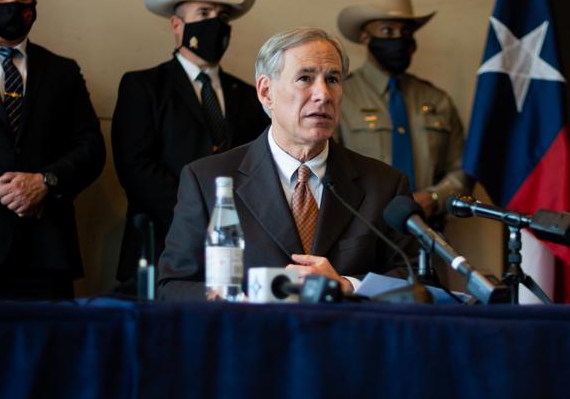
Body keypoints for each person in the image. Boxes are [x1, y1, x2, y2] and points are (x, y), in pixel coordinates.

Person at [158, 27, 415, 301]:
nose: (323, 94)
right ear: (266, 91)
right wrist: (241, 301)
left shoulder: (384, 185)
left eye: (333, 79)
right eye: (305, 78)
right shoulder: (207, 179)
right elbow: (173, 286)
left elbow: (417, 281)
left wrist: (347, 285)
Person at [111, 0, 268, 289]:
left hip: (237, 252)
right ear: (176, 25)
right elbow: (135, 166)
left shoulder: (250, 96)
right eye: (204, 13)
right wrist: (198, 216)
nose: (215, 23)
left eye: (222, 16)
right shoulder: (144, 86)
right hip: (161, 245)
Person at [0, 0, 105, 300]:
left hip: (46, 253)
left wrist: (45, 181)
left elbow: (91, 148)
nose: (13, 3)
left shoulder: (63, 71)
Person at [335, 0, 470, 220]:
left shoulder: (437, 100)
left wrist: (434, 197)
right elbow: (325, 169)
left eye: (405, 32)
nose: (398, 38)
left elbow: (462, 170)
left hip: (427, 232)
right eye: (387, 31)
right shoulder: (340, 97)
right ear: (366, 37)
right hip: (363, 228)